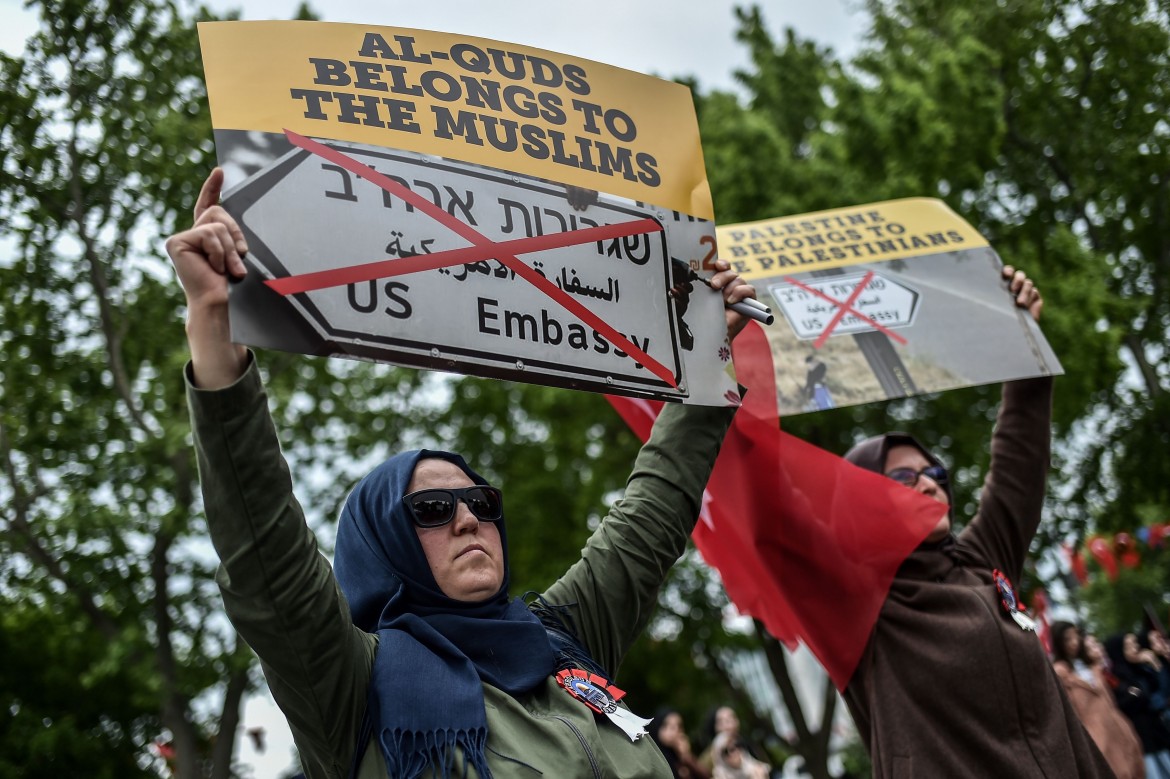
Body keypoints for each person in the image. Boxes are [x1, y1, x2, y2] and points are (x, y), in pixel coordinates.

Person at [167, 168, 756, 779]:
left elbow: (652, 515)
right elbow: (268, 557)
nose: (469, 517)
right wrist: (213, 321)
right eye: (432, 509)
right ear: (387, 547)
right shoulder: (350, 686)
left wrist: (705, 355)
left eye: (481, 501)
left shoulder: (563, 637)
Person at [839, 266, 1117, 777]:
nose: (929, 485)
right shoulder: (855, 610)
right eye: (903, 478)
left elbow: (1019, 456)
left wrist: (1022, 341)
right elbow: (760, 501)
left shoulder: (981, 559)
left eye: (935, 473)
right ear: (862, 506)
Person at [1050, 621, 1145, 779]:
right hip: (1095, 740)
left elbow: (1110, 700)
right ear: (1059, 642)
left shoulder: (1092, 665)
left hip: (1118, 730)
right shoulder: (1060, 674)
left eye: (1076, 636)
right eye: (1067, 639)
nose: (1074, 642)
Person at [1108, 632, 1170, 779]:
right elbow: (1141, 700)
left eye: (1135, 644)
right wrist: (1138, 694)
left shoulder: (1141, 667)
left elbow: (1161, 692)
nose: (1135, 648)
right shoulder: (1118, 675)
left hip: (1158, 734)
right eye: (1129, 646)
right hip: (1142, 740)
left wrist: (1155, 665)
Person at [649, 708, 710, 779]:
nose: (675, 730)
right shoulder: (654, 758)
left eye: (679, 726)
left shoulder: (681, 756)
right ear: (658, 728)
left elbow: (707, 776)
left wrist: (687, 756)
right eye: (668, 726)